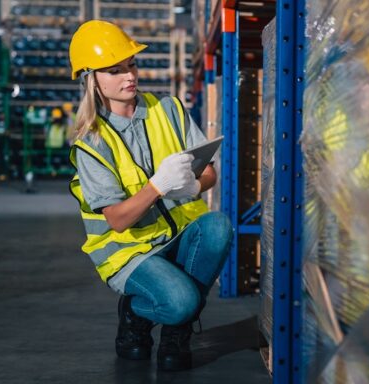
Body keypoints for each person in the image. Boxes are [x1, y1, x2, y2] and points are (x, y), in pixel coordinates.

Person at [67, 20, 232, 371]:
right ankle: (136, 311)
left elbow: (210, 173)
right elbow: (117, 219)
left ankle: (176, 331)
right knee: (181, 301)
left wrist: (192, 186)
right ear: (91, 79)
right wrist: (157, 186)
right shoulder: (92, 144)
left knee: (218, 225)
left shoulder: (169, 110)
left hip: (177, 235)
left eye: (131, 65)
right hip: (129, 252)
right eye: (115, 70)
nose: (129, 76)